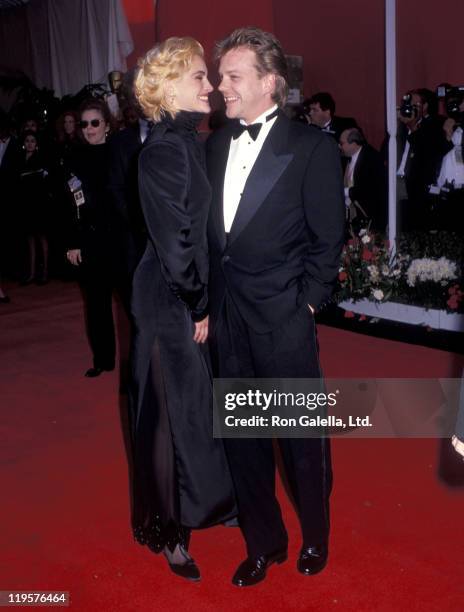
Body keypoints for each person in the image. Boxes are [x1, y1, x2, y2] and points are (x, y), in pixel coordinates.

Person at [206, 27, 345, 587]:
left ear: (269, 83)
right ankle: (264, 542)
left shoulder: (310, 147)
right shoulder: (215, 142)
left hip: (284, 314)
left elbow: (327, 239)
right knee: (242, 438)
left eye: (232, 77)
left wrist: (307, 305)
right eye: (219, 77)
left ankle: (315, 536)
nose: (220, 88)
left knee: (298, 439)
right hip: (227, 316)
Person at [130, 37, 236, 582]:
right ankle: (172, 532)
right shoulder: (164, 152)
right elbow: (176, 243)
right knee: (173, 417)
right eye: (199, 76)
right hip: (170, 301)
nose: (211, 85)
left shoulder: (188, 142)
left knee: (197, 410)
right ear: (168, 86)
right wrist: (198, 303)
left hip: (187, 293)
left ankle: (209, 503)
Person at [65, 98, 122, 377]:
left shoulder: (119, 151)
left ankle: (139, 361)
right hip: (90, 241)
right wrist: (73, 242)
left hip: (121, 241)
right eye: (84, 124)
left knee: (130, 306)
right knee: (97, 305)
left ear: (107, 125)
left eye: (95, 123)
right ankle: (103, 359)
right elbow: (69, 203)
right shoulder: (75, 157)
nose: (89, 129)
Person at [17, 130, 52, 285]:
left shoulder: (41, 158)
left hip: (39, 203)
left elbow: (43, 182)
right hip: (25, 204)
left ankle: (44, 273)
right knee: (30, 239)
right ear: (24, 144)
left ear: (37, 144)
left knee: (41, 237)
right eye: (27, 141)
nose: (30, 143)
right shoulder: (19, 160)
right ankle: (31, 273)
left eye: (32, 140)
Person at [339, 127, 387, 232]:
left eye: (342, 143)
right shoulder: (345, 158)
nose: (339, 146)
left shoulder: (372, 158)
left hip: (370, 217)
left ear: (353, 143)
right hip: (353, 218)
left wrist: (345, 191)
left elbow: (370, 188)